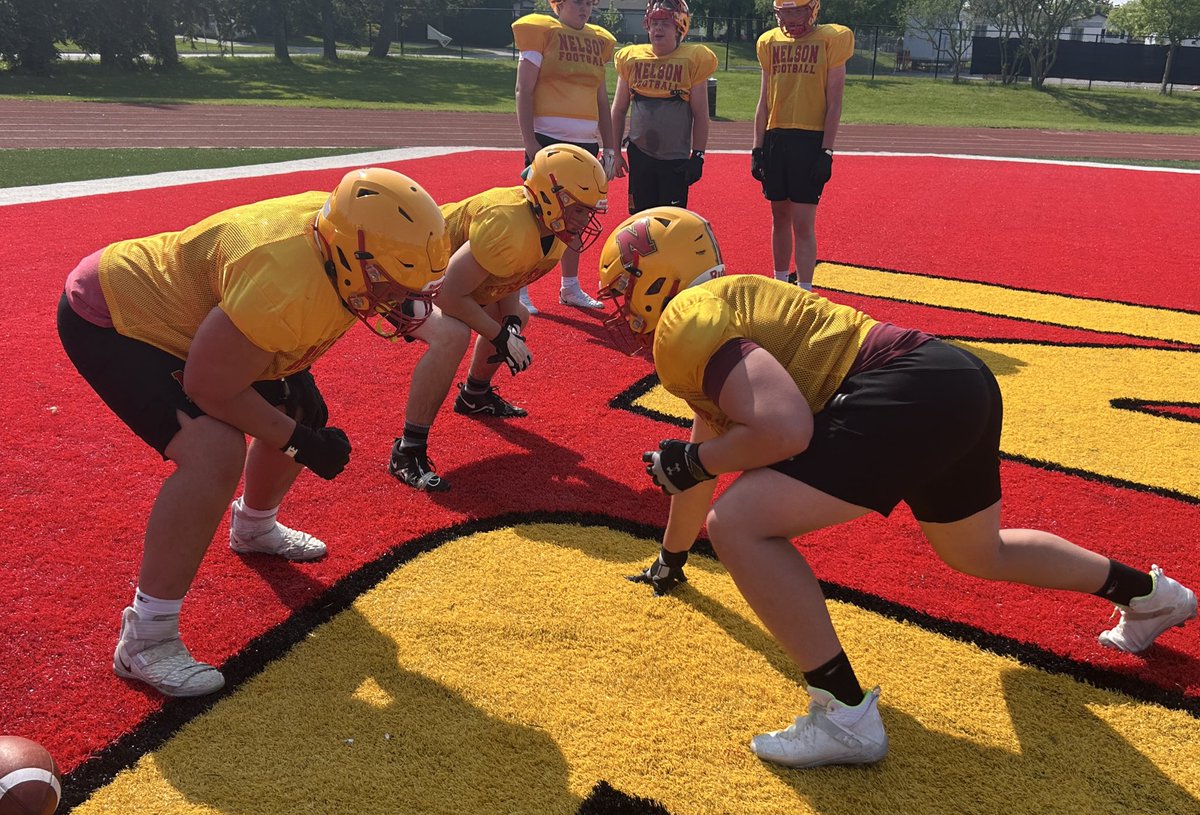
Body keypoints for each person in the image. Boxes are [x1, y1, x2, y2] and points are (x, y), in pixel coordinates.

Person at [596, 206, 1198, 769]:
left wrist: (694, 461)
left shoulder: (684, 324)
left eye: (625, 284)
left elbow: (781, 430)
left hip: (901, 389)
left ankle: (843, 714)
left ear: (658, 276)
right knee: (977, 550)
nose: (622, 304)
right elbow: (714, 441)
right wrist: (672, 553)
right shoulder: (731, 305)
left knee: (740, 524)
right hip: (954, 378)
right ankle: (1150, 595)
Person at [57, 168, 450, 697]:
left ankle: (255, 526)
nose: (400, 301)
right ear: (354, 258)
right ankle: (145, 640)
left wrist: (296, 424)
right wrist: (298, 442)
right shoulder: (286, 282)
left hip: (209, 314)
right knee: (215, 453)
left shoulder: (340, 235)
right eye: (391, 284)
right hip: (120, 316)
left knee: (300, 408)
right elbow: (210, 387)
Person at [388, 143, 608, 492]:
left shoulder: (549, 226)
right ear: (552, 196)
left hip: (443, 277)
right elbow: (447, 294)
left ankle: (474, 395)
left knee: (518, 315)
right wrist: (500, 335)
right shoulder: (508, 222)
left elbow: (507, 273)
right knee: (452, 335)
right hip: (398, 274)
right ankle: (407, 449)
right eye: (579, 210)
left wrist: (509, 326)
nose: (584, 221)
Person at [512, 0, 617, 314]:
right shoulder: (542, 31)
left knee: (576, 220)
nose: (584, 8)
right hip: (547, 141)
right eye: (577, 2)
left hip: (585, 145)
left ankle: (570, 286)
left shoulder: (598, 40)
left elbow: (601, 99)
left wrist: (610, 147)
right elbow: (523, 89)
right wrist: (530, 142)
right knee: (534, 216)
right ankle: (518, 288)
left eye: (588, 3)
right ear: (557, 4)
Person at [752, 0, 852, 291]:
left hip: (809, 138)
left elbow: (834, 103)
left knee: (803, 222)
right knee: (779, 215)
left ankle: (805, 290)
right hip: (776, 136)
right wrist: (757, 147)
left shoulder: (831, 39)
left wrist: (827, 151)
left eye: (797, 11)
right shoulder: (769, 42)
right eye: (786, 12)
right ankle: (780, 284)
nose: (791, 18)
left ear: (813, 9)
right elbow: (763, 101)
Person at [611, 0, 716, 214]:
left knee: (670, 223)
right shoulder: (632, 59)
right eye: (654, 22)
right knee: (640, 221)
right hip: (640, 155)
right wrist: (614, 152)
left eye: (665, 24)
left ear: (679, 28)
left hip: (675, 159)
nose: (658, 28)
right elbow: (619, 109)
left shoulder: (693, 59)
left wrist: (698, 155)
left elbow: (700, 114)